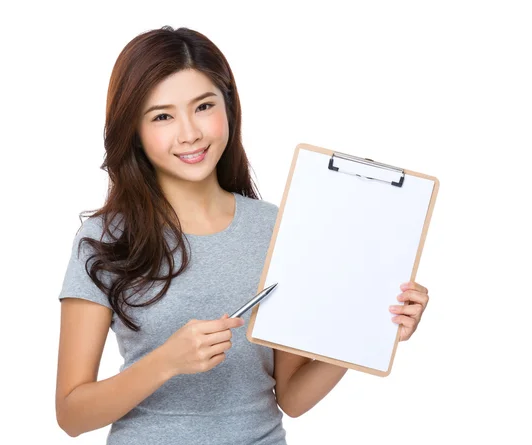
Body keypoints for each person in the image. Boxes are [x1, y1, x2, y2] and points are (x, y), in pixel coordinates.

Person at [55, 26, 430, 445]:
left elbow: (293, 397)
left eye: (203, 106)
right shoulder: (104, 238)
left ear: (229, 108)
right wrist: (166, 361)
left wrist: (369, 329)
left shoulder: (279, 228)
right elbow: (72, 415)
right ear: (135, 130)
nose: (189, 133)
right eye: (162, 116)